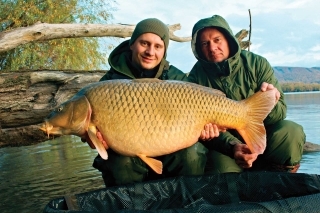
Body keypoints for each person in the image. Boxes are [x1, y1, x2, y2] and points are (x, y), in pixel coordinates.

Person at [92, 18, 219, 187]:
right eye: (144, 43)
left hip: (170, 153)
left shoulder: (176, 78)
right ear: (132, 44)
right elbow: (91, 132)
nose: (150, 52)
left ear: (164, 51)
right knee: (119, 163)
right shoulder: (107, 83)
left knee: (193, 153)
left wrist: (211, 134)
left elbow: (202, 120)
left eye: (158, 46)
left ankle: (185, 203)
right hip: (127, 155)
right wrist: (93, 137)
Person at [188, 15, 306, 173]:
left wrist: (270, 101)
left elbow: (281, 112)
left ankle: (282, 181)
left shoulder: (257, 64)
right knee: (220, 169)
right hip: (228, 148)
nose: (212, 47)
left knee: (290, 131)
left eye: (217, 40)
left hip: (264, 138)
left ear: (228, 40)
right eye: (205, 43)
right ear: (198, 49)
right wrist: (233, 145)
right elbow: (201, 127)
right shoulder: (195, 77)